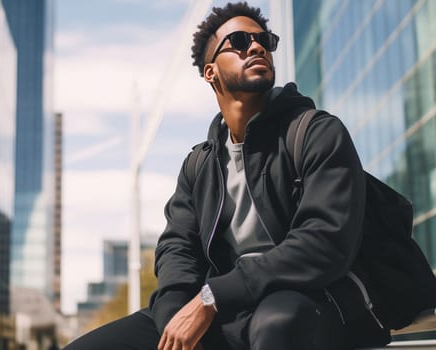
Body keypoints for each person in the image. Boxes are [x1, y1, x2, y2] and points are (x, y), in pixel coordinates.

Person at [64, 2, 377, 349]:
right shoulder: (200, 165)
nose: (256, 47)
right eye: (240, 41)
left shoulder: (315, 132)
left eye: (263, 40)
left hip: (308, 302)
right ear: (210, 72)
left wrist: (212, 297)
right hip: (227, 309)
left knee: (279, 324)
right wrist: (174, 318)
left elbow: (324, 241)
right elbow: (177, 249)